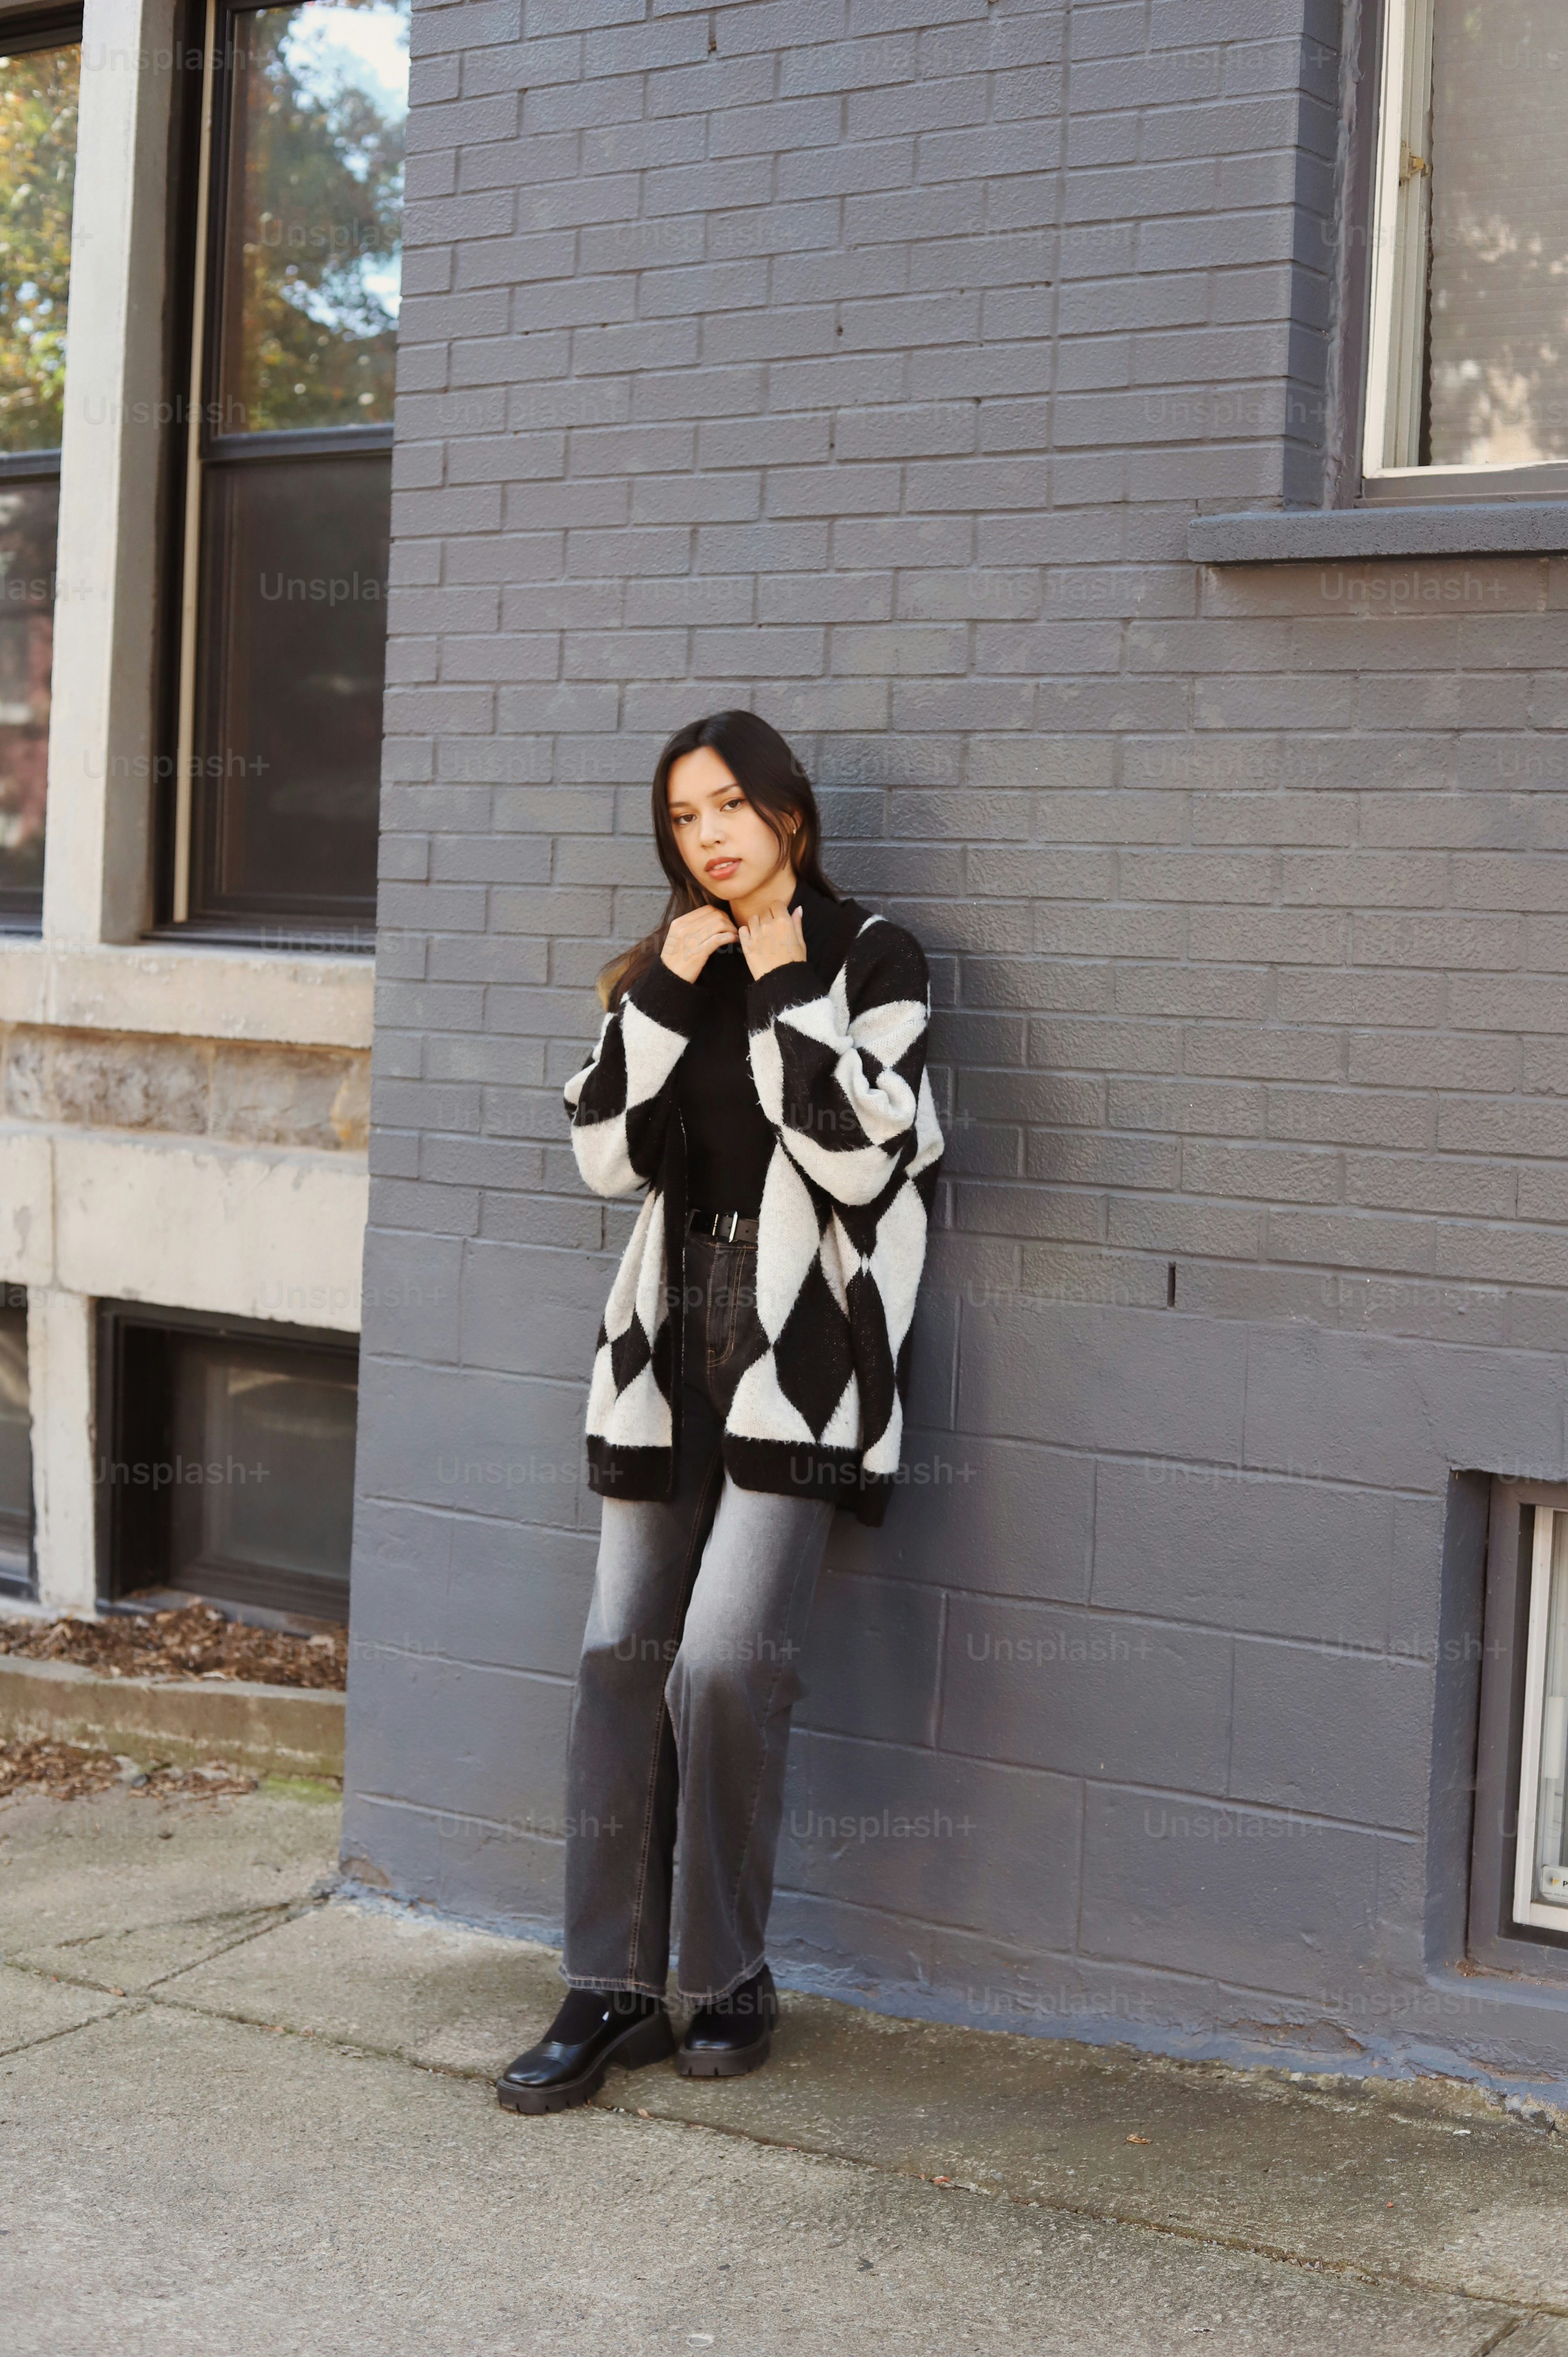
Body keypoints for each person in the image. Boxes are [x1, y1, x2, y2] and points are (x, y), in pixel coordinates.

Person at [497, 709, 943, 2115]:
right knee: (619, 1655)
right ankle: (608, 1987)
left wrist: (781, 975)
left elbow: (859, 1155)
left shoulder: (871, 958)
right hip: (667, 1341)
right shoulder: (666, 966)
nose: (710, 836)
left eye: (731, 806)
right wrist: (668, 996)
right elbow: (600, 1156)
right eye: (685, 818)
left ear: (791, 817)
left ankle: (728, 1971)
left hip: (802, 1349)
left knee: (725, 1663)